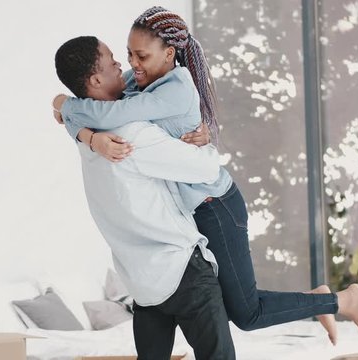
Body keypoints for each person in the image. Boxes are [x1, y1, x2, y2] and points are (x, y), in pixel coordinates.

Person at [53, 6, 358, 347]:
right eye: (128, 54)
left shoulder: (175, 88)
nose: (132, 63)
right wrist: (81, 127)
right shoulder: (144, 77)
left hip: (214, 206)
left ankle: (343, 301)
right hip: (195, 208)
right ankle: (322, 298)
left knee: (247, 314)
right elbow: (93, 106)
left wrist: (71, 113)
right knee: (241, 306)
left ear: (168, 53)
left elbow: (111, 112)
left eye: (141, 55)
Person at [54, 36, 235, 359]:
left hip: (141, 285)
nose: (120, 65)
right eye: (111, 60)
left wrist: (78, 124)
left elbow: (66, 109)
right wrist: (201, 137)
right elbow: (207, 168)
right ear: (96, 80)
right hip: (182, 271)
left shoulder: (87, 141)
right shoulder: (133, 136)